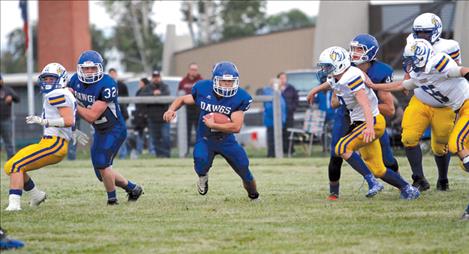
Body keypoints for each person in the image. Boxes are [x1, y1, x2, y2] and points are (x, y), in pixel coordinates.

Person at [366, 39, 469, 217]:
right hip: (460, 108)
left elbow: (461, 71)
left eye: (412, 59)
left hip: (466, 105)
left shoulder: (438, 60)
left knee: (455, 145)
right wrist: (374, 86)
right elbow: (401, 85)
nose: (409, 64)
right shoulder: (419, 72)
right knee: (457, 147)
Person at [307, 46, 420, 200]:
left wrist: (368, 127)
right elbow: (330, 83)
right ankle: (408, 189)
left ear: (339, 65)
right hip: (364, 122)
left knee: (342, 147)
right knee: (379, 169)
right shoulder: (340, 75)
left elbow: (365, 103)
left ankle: (372, 183)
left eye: (327, 66)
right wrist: (315, 90)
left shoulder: (350, 77)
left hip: (370, 122)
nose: (324, 69)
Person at [163, 61, 259, 200]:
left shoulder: (240, 97)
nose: (227, 85)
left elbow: (236, 127)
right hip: (205, 138)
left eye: (230, 82)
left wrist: (214, 125)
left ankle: (254, 196)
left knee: (244, 169)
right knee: (200, 160)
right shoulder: (203, 88)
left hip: (226, 140)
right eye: (223, 81)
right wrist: (171, 109)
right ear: (214, 80)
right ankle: (203, 177)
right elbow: (183, 99)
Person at [3, 63, 87, 211]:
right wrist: (73, 131)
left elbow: (68, 120)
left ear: (61, 79)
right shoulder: (62, 92)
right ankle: (36, 195)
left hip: (54, 144)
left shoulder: (58, 93)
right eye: (46, 79)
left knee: (17, 166)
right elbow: (68, 119)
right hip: (49, 142)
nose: (48, 82)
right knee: (10, 165)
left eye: (51, 79)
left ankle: (14, 205)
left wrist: (44, 121)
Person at [68, 50, 143, 205]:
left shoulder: (107, 84)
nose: (89, 72)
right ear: (80, 68)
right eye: (86, 68)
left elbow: (91, 116)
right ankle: (133, 188)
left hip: (114, 129)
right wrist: (72, 126)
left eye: (93, 68)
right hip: (100, 131)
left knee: (103, 164)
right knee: (100, 172)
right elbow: (66, 103)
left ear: (100, 68)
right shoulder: (74, 80)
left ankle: (112, 200)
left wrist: (73, 102)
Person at [402, 13, 461, 191]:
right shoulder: (411, 41)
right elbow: (410, 62)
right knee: (409, 137)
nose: (421, 37)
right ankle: (419, 179)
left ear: (436, 31)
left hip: (443, 103)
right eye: (418, 33)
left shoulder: (450, 46)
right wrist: (407, 78)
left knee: (440, 145)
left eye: (426, 33)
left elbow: (455, 71)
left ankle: (443, 179)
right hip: (421, 97)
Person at [142, 71, 171, 157]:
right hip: (152, 117)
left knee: (166, 137)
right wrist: (153, 94)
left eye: (157, 76)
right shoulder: (147, 87)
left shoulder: (165, 86)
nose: (156, 78)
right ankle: (159, 156)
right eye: (154, 76)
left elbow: (167, 94)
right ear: (152, 78)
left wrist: (159, 94)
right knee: (155, 139)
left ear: (160, 77)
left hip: (164, 118)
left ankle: (166, 155)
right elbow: (142, 96)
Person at [178, 63, 203, 155]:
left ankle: (199, 151)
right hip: (186, 110)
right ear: (189, 70)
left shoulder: (200, 80)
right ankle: (185, 151)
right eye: (192, 69)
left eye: (195, 69)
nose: (193, 71)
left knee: (199, 131)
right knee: (185, 132)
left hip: (198, 109)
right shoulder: (183, 81)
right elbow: (179, 94)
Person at [262, 78, 287, 157]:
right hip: (272, 122)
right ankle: (271, 155)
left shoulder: (279, 94)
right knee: (271, 140)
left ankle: (276, 155)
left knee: (278, 141)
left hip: (280, 122)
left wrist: (282, 119)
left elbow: (283, 108)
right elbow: (269, 109)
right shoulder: (269, 94)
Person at [109, 68, 130, 159]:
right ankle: (111, 155)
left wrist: (124, 108)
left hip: (122, 113)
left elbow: (127, 99)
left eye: (114, 73)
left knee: (122, 134)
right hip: (110, 115)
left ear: (116, 74)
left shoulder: (122, 85)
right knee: (110, 135)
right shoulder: (107, 85)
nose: (113, 75)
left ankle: (123, 155)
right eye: (111, 73)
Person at [277, 72, 299, 154]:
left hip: (289, 115)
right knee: (281, 133)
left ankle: (290, 150)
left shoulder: (291, 88)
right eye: (281, 78)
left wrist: (292, 108)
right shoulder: (276, 89)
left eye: (284, 78)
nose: (283, 80)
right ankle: (281, 150)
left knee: (289, 132)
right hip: (278, 115)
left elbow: (296, 100)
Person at [0, 73, 20, 159]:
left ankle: (11, 159)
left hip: (6, 119)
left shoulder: (7, 90)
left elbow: (18, 99)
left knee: (8, 141)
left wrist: (12, 97)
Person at [130, 77, 151, 158]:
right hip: (139, 117)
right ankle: (139, 151)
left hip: (146, 116)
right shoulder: (139, 91)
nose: (139, 84)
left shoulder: (148, 91)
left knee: (149, 135)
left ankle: (150, 151)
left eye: (141, 83)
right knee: (140, 134)